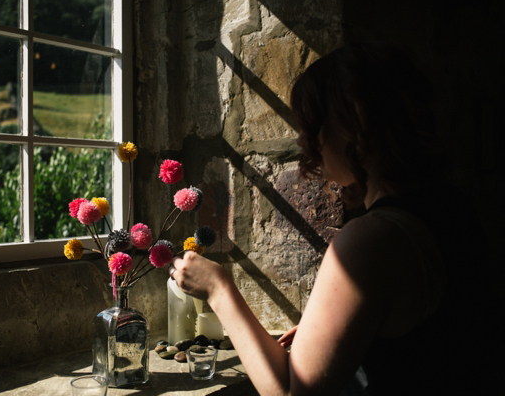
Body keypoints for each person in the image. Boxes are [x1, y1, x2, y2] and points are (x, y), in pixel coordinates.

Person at [170, 42, 499, 395]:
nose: (305, 139)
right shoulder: (450, 206)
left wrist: (219, 291)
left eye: (315, 124)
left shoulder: (373, 239)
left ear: (353, 122)